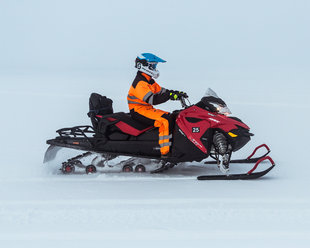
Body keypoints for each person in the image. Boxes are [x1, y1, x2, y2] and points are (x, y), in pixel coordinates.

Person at [127, 53, 187, 157]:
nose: (154, 68)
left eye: (155, 66)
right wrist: (169, 96)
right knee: (165, 121)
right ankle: (165, 153)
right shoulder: (140, 83)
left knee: (172, 117)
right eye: (153, 65)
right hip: (138, 111)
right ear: (144, 66)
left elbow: (161, 91)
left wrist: (175, 93)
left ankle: (174, 145)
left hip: (146, 109)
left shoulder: (149, 80)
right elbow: (152, 99)